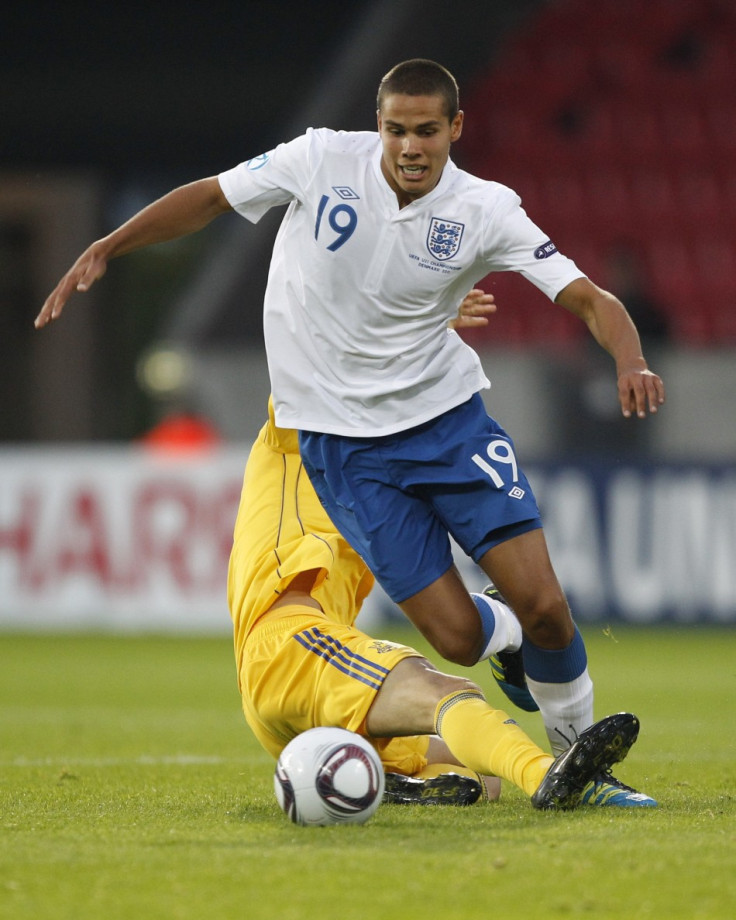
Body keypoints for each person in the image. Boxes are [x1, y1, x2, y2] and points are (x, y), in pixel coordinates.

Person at [36, 58, 664, 805]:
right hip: (346, 455)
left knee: (547, 604)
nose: (409, 146)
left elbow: (589, 297)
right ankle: (504, 641)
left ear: (454, 128)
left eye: (427, 130)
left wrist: (631, 358)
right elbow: (210, 198)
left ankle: (581, 770)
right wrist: (110, 244)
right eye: (396, 129)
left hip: (447, 424)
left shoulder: (486, 208)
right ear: (379, 125)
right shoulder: (318, 160)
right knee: (458, 639)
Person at [227, 393, 639, 810]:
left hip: (298, 699)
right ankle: (544, 774)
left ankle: (385, 782)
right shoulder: (294, 433)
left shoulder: (369, 486)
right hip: (287, 648)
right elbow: (313, 357)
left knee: (481, 778)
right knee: (449, 694)